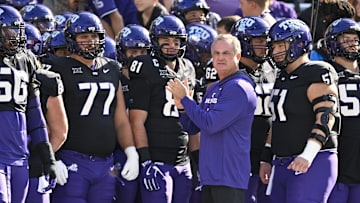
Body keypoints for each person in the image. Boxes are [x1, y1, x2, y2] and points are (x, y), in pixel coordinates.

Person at [44, 11, 139, 203]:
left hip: (106, 163)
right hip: (72, 159)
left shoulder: (112, 68)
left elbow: (120, 118)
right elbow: (46, 117)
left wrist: (131, 151)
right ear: (72, 39)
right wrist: (53, 155)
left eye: (95, 36)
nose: (91, 41)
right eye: (84, 37)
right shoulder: (57, 67)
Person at [166, 33, 257, 203]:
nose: (220, 58)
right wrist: (182, 107)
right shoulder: (214, 87)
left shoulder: (240, 88)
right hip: (210, 176)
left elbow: (210, 124)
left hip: (230, 177)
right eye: (216, 53)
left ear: (237, 56)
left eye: (226, 53)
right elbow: (194, 127)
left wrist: (186, 100)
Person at [259, 18, 340, 203]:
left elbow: (326, 116)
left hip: (313, 160)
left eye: (281, 45)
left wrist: (309, 153)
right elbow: (279, 120)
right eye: (274, 47)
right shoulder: (283, 76)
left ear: (299, 43)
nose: (276, 52)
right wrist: (267, 157)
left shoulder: (317, 70)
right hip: (282, 162)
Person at [127, 14, 196, 203]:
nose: (171, 45)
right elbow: (136, 120)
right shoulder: (146, 66)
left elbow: (193, 119)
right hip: (158, 159)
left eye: (176, 41)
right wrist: (146, 159)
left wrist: (196, 161)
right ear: (155, 41)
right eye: (165, 40)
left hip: (183, 160)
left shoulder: (188, 68)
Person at [0, 5, 57, 203]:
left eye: (16, 31)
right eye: (7, 31)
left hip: (19, 157)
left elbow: (35, 113)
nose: (13, 37)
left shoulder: (25, 60)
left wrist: (48, 157)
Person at [231, 16, 275, 203]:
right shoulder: (228, 70)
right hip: (239, 156)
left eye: (266, 41)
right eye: (259, 41)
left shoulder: (271, 67)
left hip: (266, 153)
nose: (264, 46)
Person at [113, 24, 152, 203]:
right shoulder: (114, 78)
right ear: (122, 52)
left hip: (149, 150)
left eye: (141, 51)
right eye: (132, 51)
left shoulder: (154, 80)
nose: (137, 56)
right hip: (119, 149)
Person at [324, 18, 360, 203]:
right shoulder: (326, 74)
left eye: (355, 39)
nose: (352, 44)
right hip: (338, 162)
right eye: (346, 39)